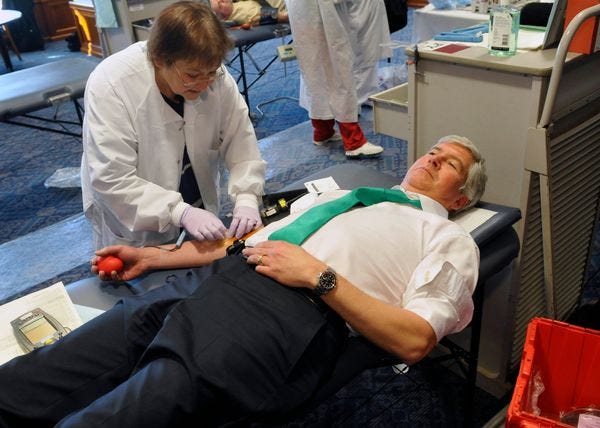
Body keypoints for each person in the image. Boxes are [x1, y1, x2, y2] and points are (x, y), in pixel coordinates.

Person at [0, 136, 487, 427]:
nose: (433, 159)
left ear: (462, 199)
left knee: (124, 411)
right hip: (218, 276)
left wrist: (319, 278)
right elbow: (246, 241)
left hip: (282, 312)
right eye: (433, 151)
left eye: (450, 164)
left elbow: (415, 340)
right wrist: (154, 256)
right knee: (53, 367)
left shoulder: (449, 238)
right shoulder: (342, 194)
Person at [80, 1, 267, 250]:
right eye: (192, 76)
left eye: (211, 73)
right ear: (159, 60)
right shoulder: (111, 85)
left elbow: (241, 141)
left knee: (201, 260)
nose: (204, 84)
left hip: (195, 196)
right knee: (143, 267)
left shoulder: (211, 72)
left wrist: (246, 198)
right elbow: (112, 178)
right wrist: (179, 212)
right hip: (135, 217)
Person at [286, 0, 385, 159]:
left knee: (314, 70)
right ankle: (354, 141)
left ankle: (322, 131)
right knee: (338, 73)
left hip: (303, 12)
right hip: (325, 14)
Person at [210, 0, 288, 24]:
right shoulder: (245, 13)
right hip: (288, 6)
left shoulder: (233, 6)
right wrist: (286, 16)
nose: (223, 1)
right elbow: (283, 16)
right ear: (223, 18)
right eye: (220, 5)